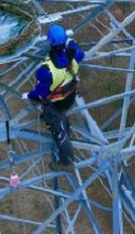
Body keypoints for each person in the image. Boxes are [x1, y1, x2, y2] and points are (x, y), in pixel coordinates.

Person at [26, 25, 84, 172]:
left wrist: (30, 95)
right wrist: (70, 42)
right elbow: (79, 51)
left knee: (59, 132)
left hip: (56, 106)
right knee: (62, 118)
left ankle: (67, 161)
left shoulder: (46, 70)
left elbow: (40, 94)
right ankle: (64, 127)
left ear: (49, 42)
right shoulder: (74, 58)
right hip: (69, 99)